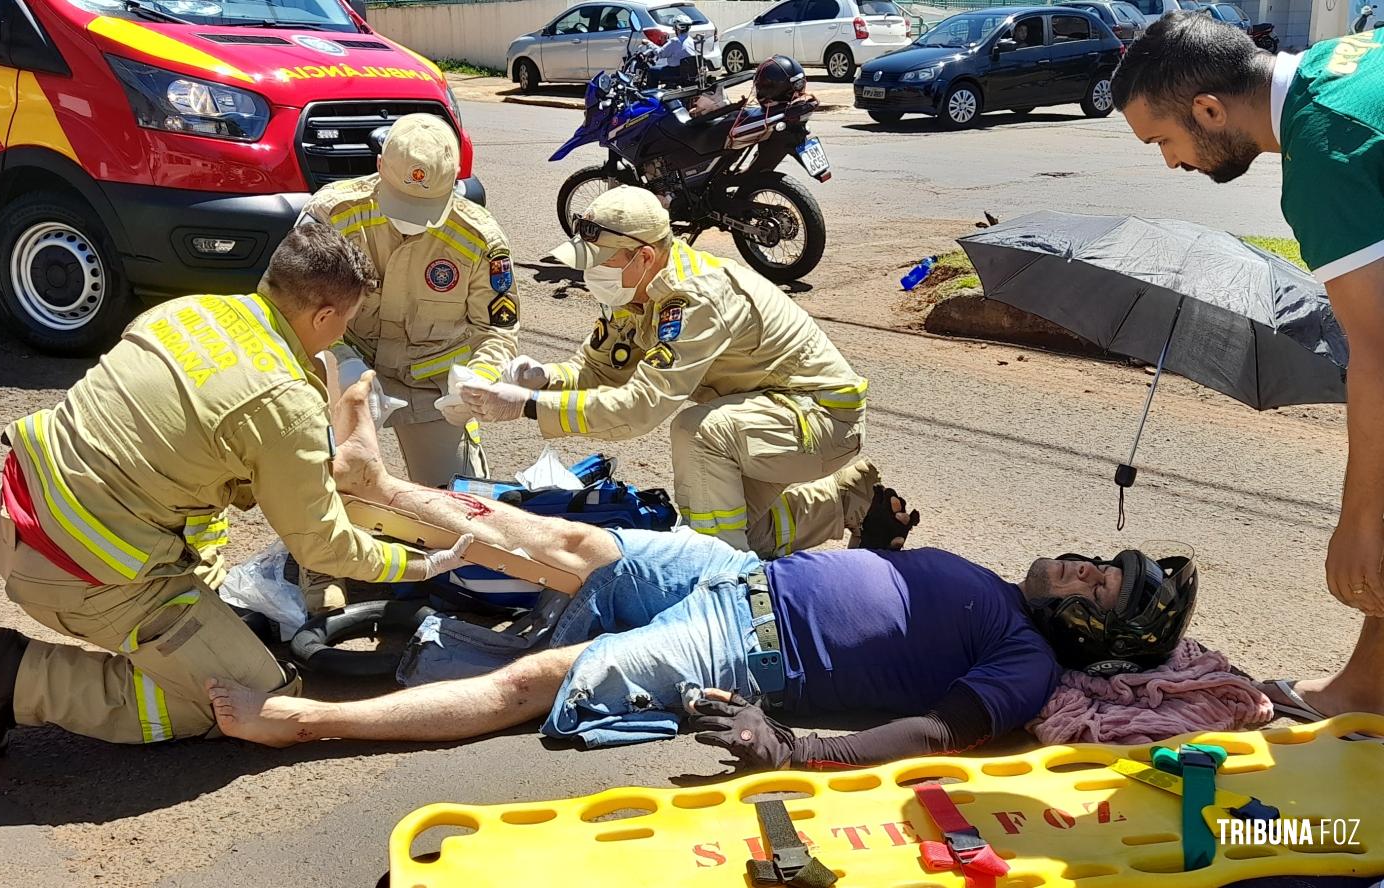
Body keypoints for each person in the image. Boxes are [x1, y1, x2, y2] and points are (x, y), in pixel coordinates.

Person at [205, 386, 1196, 768]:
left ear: (1087, 636)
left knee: (533, 684)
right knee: (544, 531)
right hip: (734, 572)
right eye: (1097, 562)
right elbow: (887, 611)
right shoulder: (995, 589)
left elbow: (933, 732)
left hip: (742, 646)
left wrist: (792, 746)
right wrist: (882, 545)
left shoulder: (1022, 662)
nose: (1081, 567)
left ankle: (296, 721)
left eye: (1097, 588)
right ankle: (372, 480)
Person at [0, 223, 473, 759]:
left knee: (218, 637)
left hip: (14, 514)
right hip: (78, 570)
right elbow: (322, 546)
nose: (340, 337)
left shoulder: (187, 311)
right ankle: (25, 680)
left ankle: (169, 632)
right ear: (323, 316)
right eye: (344, 323)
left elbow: (181, 474)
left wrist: (211, 592)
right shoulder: (283, 403)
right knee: (253, 701)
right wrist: (420, 565)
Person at [1111, 14, 1384, 720]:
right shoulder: (1340, 61)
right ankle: (1370, 684)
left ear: (1208, 109)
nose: (1170, 163)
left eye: (1164, 140)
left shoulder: (1325, 158)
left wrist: (1357, 523)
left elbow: (1379, 354)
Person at [460, 186, 907, 559]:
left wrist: (530, 408)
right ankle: (852, 500)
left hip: (820, 418)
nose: (589, 272)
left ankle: (723, 585)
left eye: (602, 259)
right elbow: (597, 370)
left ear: (646, 256)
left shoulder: (692, 298)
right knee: (735, 528)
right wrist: (543, 378)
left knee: (698, 435)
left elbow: (639, 409)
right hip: (764, 416)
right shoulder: (633, 292)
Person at [297, 113, 518, 488]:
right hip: (347, 375)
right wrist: (342, 364)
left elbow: (496, 332)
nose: (410, 222)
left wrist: (476, 381)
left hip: (434, 390)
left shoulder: (481, 239)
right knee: (323, 495)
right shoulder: (331, 216)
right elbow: (297, 310)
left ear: (455, 182)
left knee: (463, 505)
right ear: (379, 165)